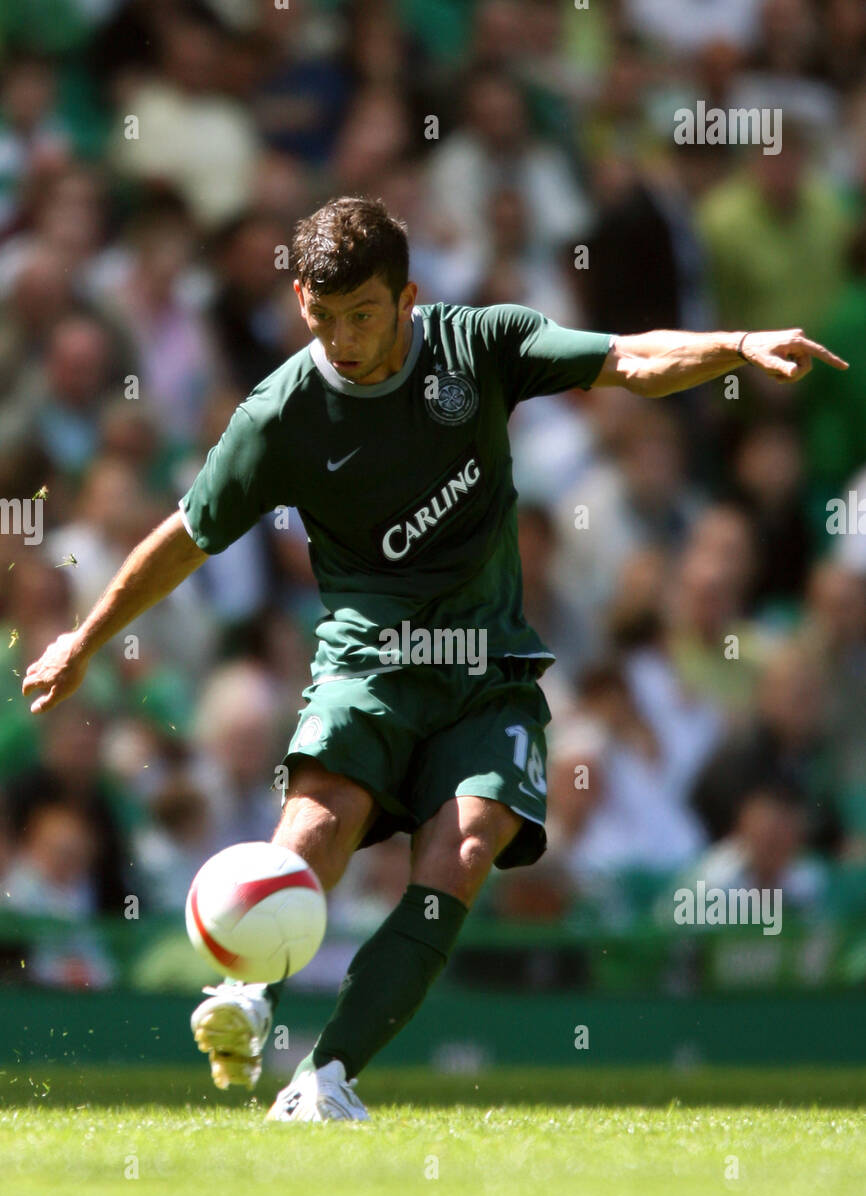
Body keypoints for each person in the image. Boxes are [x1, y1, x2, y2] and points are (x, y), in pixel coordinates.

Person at [22, 196, 847, 1123]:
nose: (340, 338)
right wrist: (84, 638)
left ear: (407, 297)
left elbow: (625, 359)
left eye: (362, 315)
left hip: (487, 672)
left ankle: (324, 1078)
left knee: (461, 848)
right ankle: (248, 994)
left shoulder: (479, 346)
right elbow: (187, 534)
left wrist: (732, 345)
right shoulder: (281, 414)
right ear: (299, 300)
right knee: (321, 822)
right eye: (322, 317)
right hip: (368, 664)